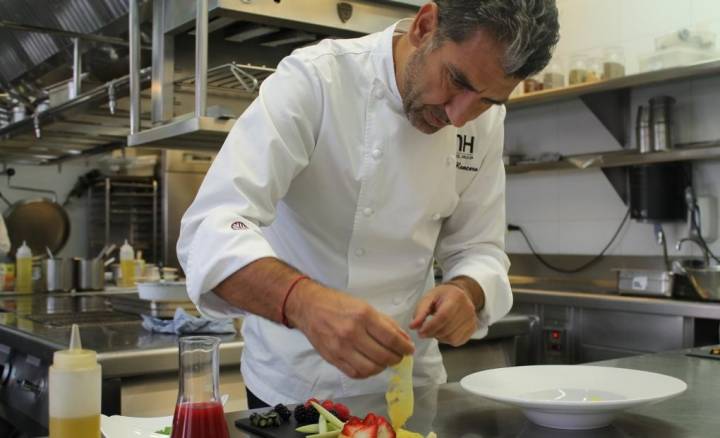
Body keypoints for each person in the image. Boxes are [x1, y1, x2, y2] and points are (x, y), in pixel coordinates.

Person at [178, 0, 559, 408]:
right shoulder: (317, 79)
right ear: (425, 26)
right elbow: (212, 226)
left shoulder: (482, 122)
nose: (461, 116)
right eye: (456, 81)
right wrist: (303, 302)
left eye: (487, 100)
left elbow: (480, 248)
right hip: (296, 388)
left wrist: (467, 291)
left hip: (412, 384)